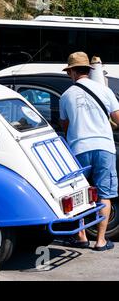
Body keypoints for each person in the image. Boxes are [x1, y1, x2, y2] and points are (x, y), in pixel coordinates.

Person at [60, 51, 119, 251]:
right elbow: (117, 118)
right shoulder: (104, 90)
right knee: (105, 194)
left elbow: (65, 125)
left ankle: (81, 236)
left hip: (79, 148)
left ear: (73, 72)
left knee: (80, 193)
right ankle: (101, 240)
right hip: (104, 147)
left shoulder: (66, 95)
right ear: (88, 70)